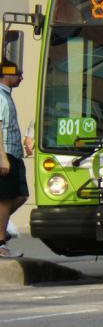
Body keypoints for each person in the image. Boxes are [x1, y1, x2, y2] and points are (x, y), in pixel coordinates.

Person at [0, 61, 28, 258]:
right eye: (19, 74)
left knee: (20, 196)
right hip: (6, 154)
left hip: (14, 154)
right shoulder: (0, 97)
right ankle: (0, 243)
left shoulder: (6, 96)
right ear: (7, 74)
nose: (21, 78)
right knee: (5, 199)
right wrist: (2, 158)